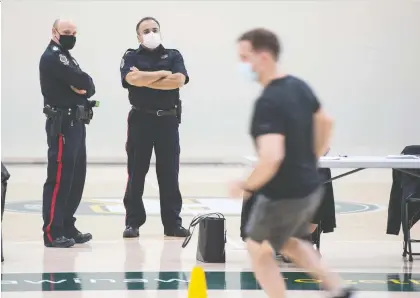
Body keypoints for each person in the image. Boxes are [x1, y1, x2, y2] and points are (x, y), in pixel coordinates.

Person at [229, 28, 354, 298]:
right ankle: (337, 287)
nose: (241, 65)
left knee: (257, 247)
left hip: (282, 192)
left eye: (244, 57)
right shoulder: (298, 85)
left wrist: (247, 185)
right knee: (287, 241)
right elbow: (325, 121)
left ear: (263, 57)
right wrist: (312, 159)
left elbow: (272, 157)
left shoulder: (268, 102)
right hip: (310, 186)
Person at [120, 17, 190, 238]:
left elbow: (179, 79)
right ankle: (133, 223)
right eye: (146, 31)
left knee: (169, 173)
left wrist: (145, 77)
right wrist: (162, 74)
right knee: (136, 172)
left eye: (154, 29)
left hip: (167, 121)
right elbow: (132, 79)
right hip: (141, 119)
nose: (151, 33)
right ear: (139, 36)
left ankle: (172, 223)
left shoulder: (173, 55)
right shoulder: (130, 55)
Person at [39, 19, 96, 248]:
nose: (70, 36)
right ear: (54, 32)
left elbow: (88, 85)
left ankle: (67, 224)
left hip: (77, 123)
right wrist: (80, 84)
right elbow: (79, 80)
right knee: (60, 178)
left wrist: (83, 86)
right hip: (62, 123)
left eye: (73, 33)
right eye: (65, 32)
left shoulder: (67, 56)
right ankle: (52, 231)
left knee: (76, 176)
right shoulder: (53, 56)